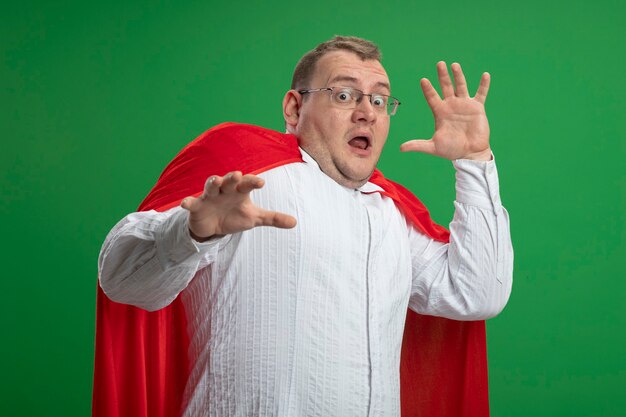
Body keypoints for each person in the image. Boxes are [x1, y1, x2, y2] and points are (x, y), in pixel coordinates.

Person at [94, 36, 513, 417]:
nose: (367, 112)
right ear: (295, 109)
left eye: (380, 100)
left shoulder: (391, 217)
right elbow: (122, 282)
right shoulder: (239, 177)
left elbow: (476, 294)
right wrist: (190, 233)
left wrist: (474, 160)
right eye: (345, 95)